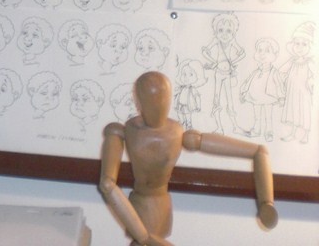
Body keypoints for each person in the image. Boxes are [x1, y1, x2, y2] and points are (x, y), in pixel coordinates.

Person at [99, 71, 277, 246]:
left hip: (161, 207)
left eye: (161, 99)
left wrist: (266, 202)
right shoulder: (125, 132)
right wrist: (144, 237)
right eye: (151, 100)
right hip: (137, 210)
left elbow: (258, 152)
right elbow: (107, 184)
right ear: (139, 102)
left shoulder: (176, 134)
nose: (158, 106)